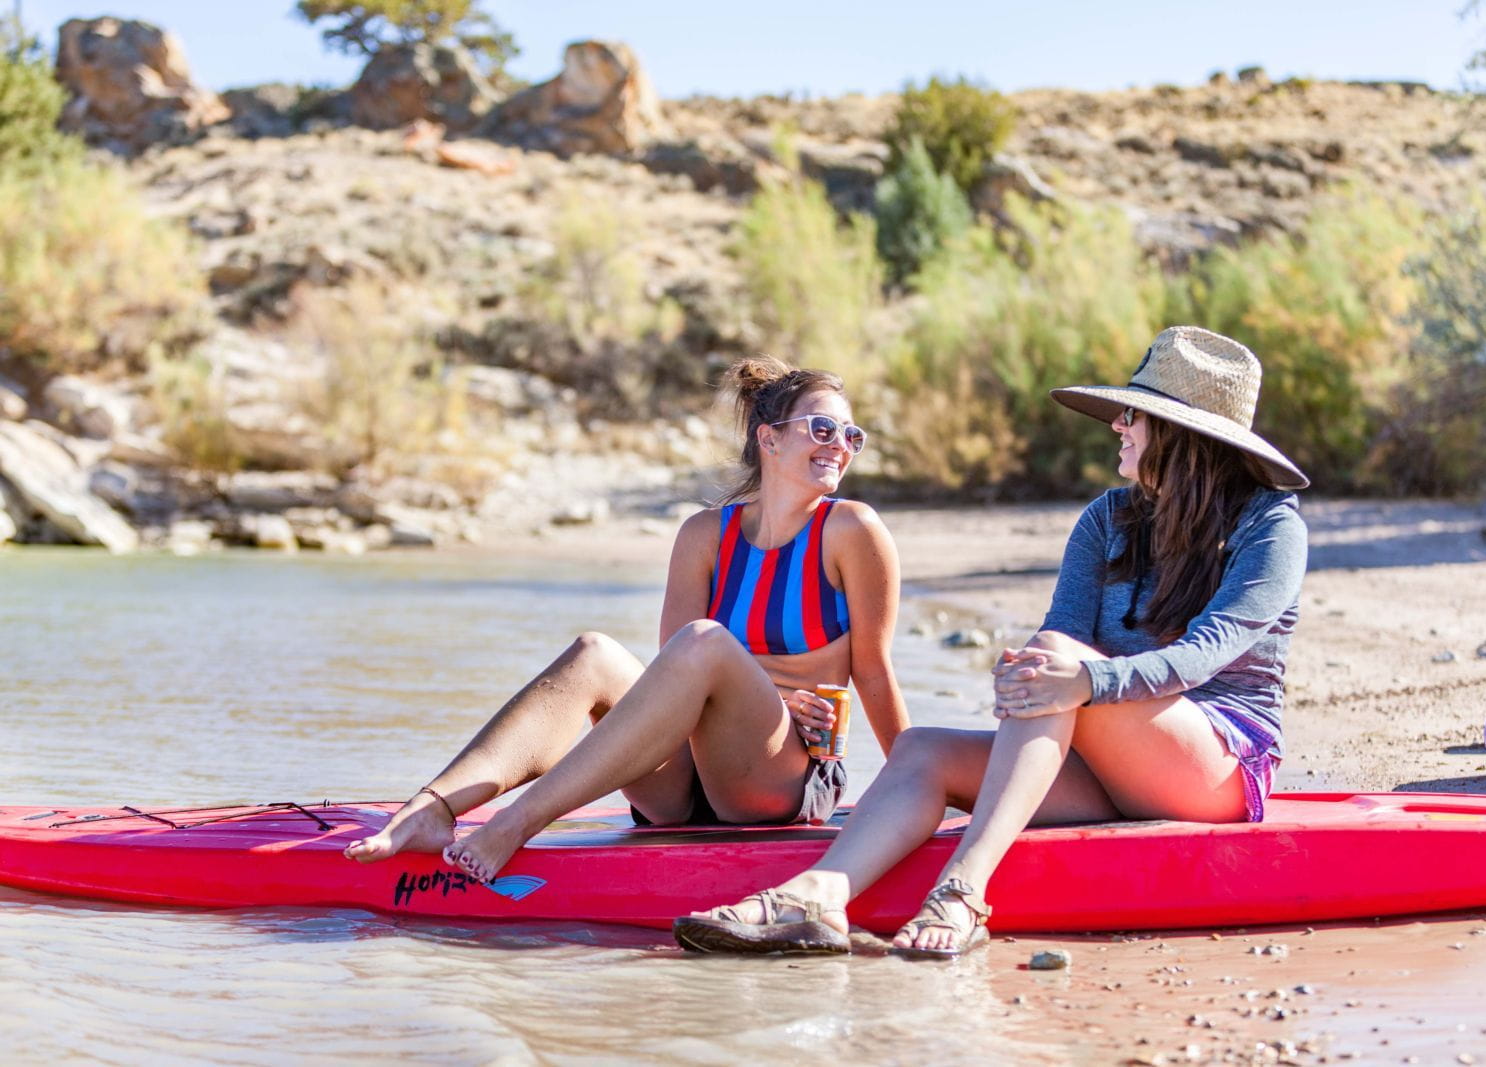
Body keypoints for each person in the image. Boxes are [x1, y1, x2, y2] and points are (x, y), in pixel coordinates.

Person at [674, 326, 1309, 958]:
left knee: (1059, 660)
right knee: (923, 749)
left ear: (1180, 433)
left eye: (1134, 415)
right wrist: (1026, 674)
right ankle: (815, 898)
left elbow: (1208, 651)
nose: (1118, 424)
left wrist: (1085, 680)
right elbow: (1062, 633)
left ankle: (964, 890)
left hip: (1219, 764)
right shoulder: (1109, 518)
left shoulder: (1271, 526)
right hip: (1104, 760)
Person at [343, 356, 910, 883]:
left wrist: (916, 789)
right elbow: (673, 679)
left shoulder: (851, 530)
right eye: (823, 429)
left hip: (781, 777)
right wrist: (736, 698)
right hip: (685, 778)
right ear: (770, 438)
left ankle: (514, 823)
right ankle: (433, 807)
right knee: (595, 653)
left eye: (851, 435)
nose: (840, 445)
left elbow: (875, 673)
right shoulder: (704, 536)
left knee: (706, 642)